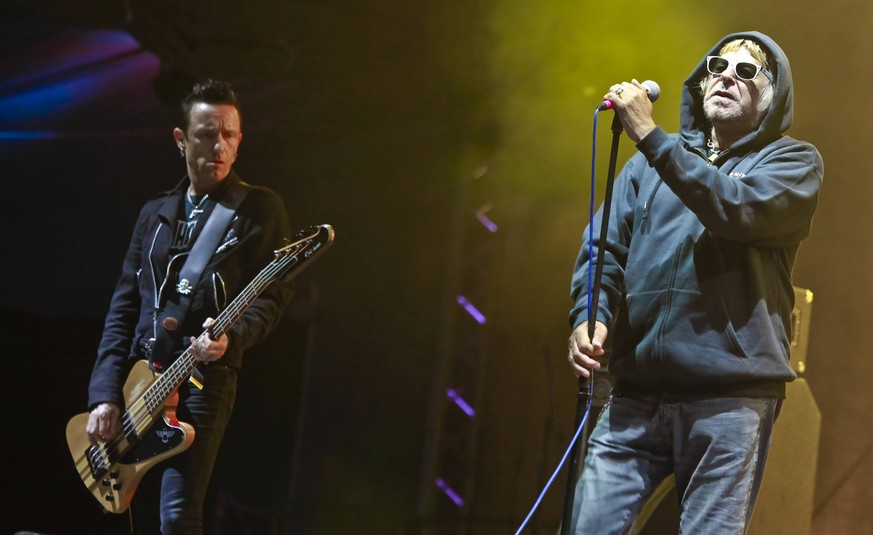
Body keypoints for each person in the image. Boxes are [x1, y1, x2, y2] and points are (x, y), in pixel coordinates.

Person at [566, 32, 822, 534]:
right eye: (717, 65)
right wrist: (590, 313)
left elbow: (736, 208)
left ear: (773, 96)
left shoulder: (793, 163)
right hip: (636, 395)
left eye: (746, 71)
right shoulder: (646, 166)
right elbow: (604, 248)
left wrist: (651, 138)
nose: (726, 75)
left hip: (729, 400)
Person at [85, 79, 295, 534]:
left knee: (178, 513)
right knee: (136, 512)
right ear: (181, 140)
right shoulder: (154, 213)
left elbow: (273, 298)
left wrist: (232, 337)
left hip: (204, 378)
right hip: (142, 382)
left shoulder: (258, 209)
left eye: (230, 134)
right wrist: (104, 394)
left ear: (239, 143)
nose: (218, 144)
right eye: (205, 133)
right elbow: (123, 309)